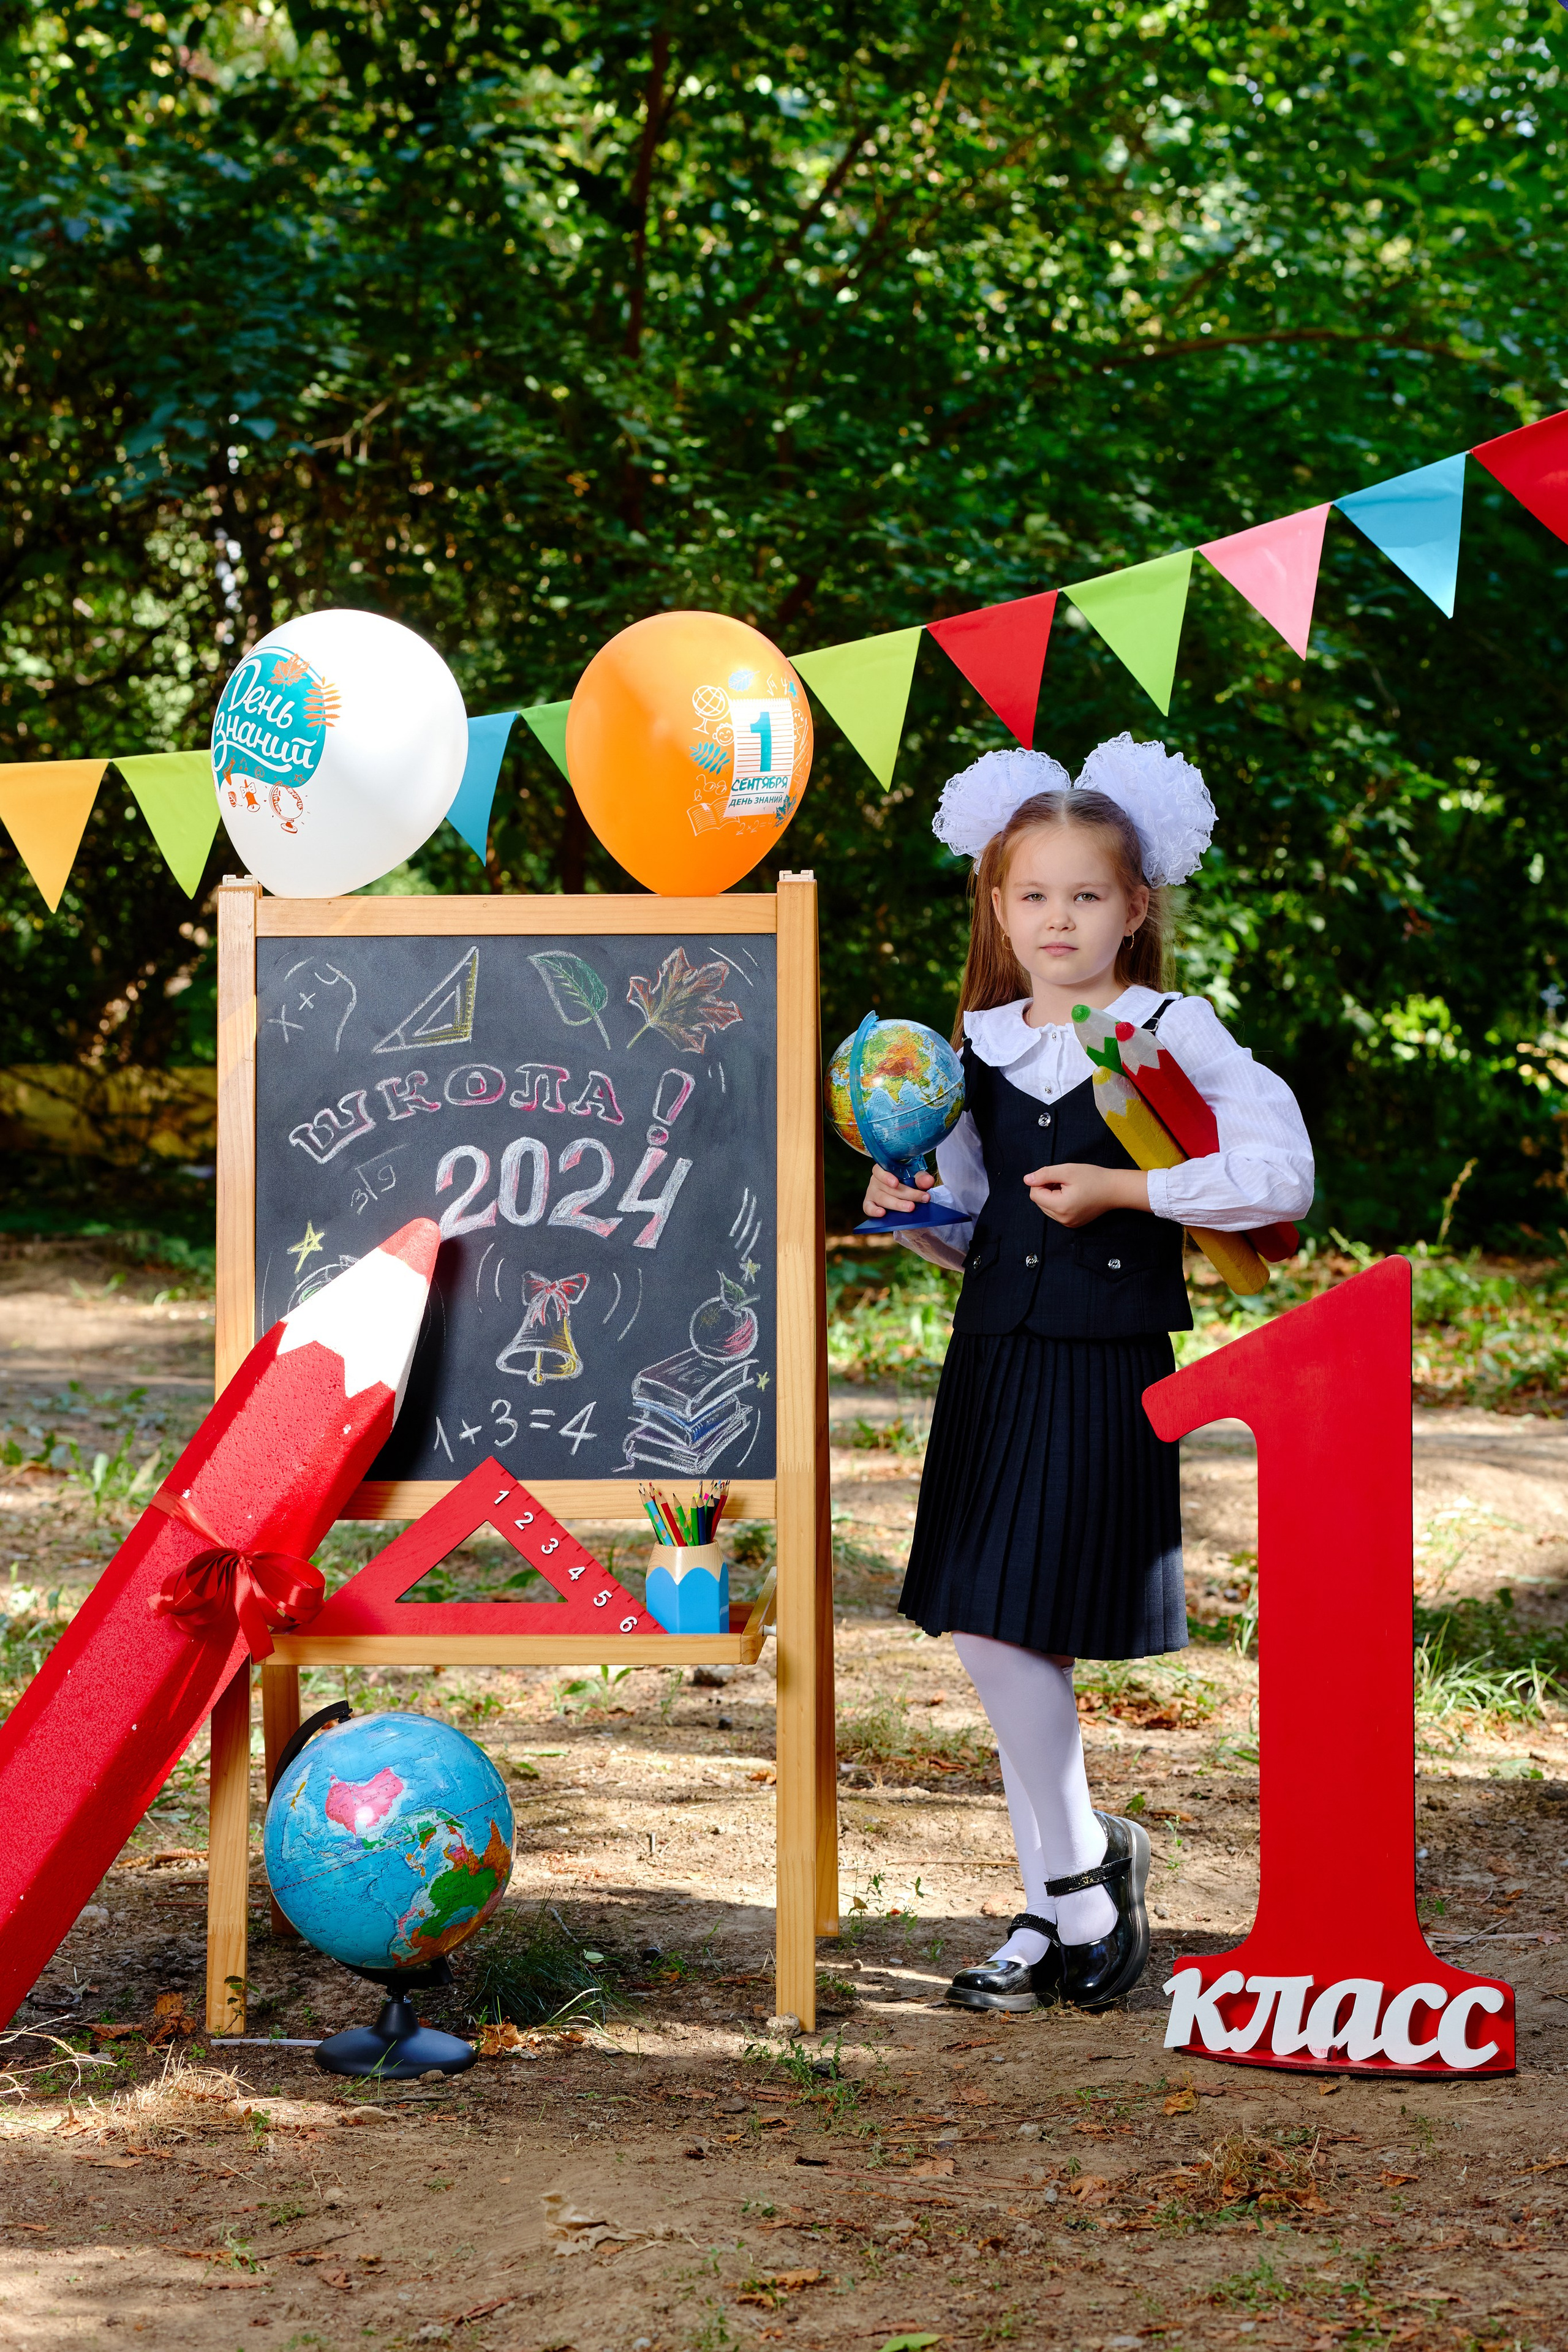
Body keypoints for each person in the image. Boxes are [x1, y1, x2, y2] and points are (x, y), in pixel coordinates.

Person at [862, 736, 1313, 2013]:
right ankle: (1069, 1888)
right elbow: (963, 1223)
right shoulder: (972, 1044)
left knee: (1016, 1634)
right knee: (997, 1632)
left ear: (1133, 907)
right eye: (1031, 896)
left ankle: (1071, 1896)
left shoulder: (1167, 1029)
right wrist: (906, 1199)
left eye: (1084, 895)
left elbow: (1278, 1177)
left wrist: (1128, 1187)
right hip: (992, 1360)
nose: (1057, 918)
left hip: (1102, 1361)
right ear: (996, 909)